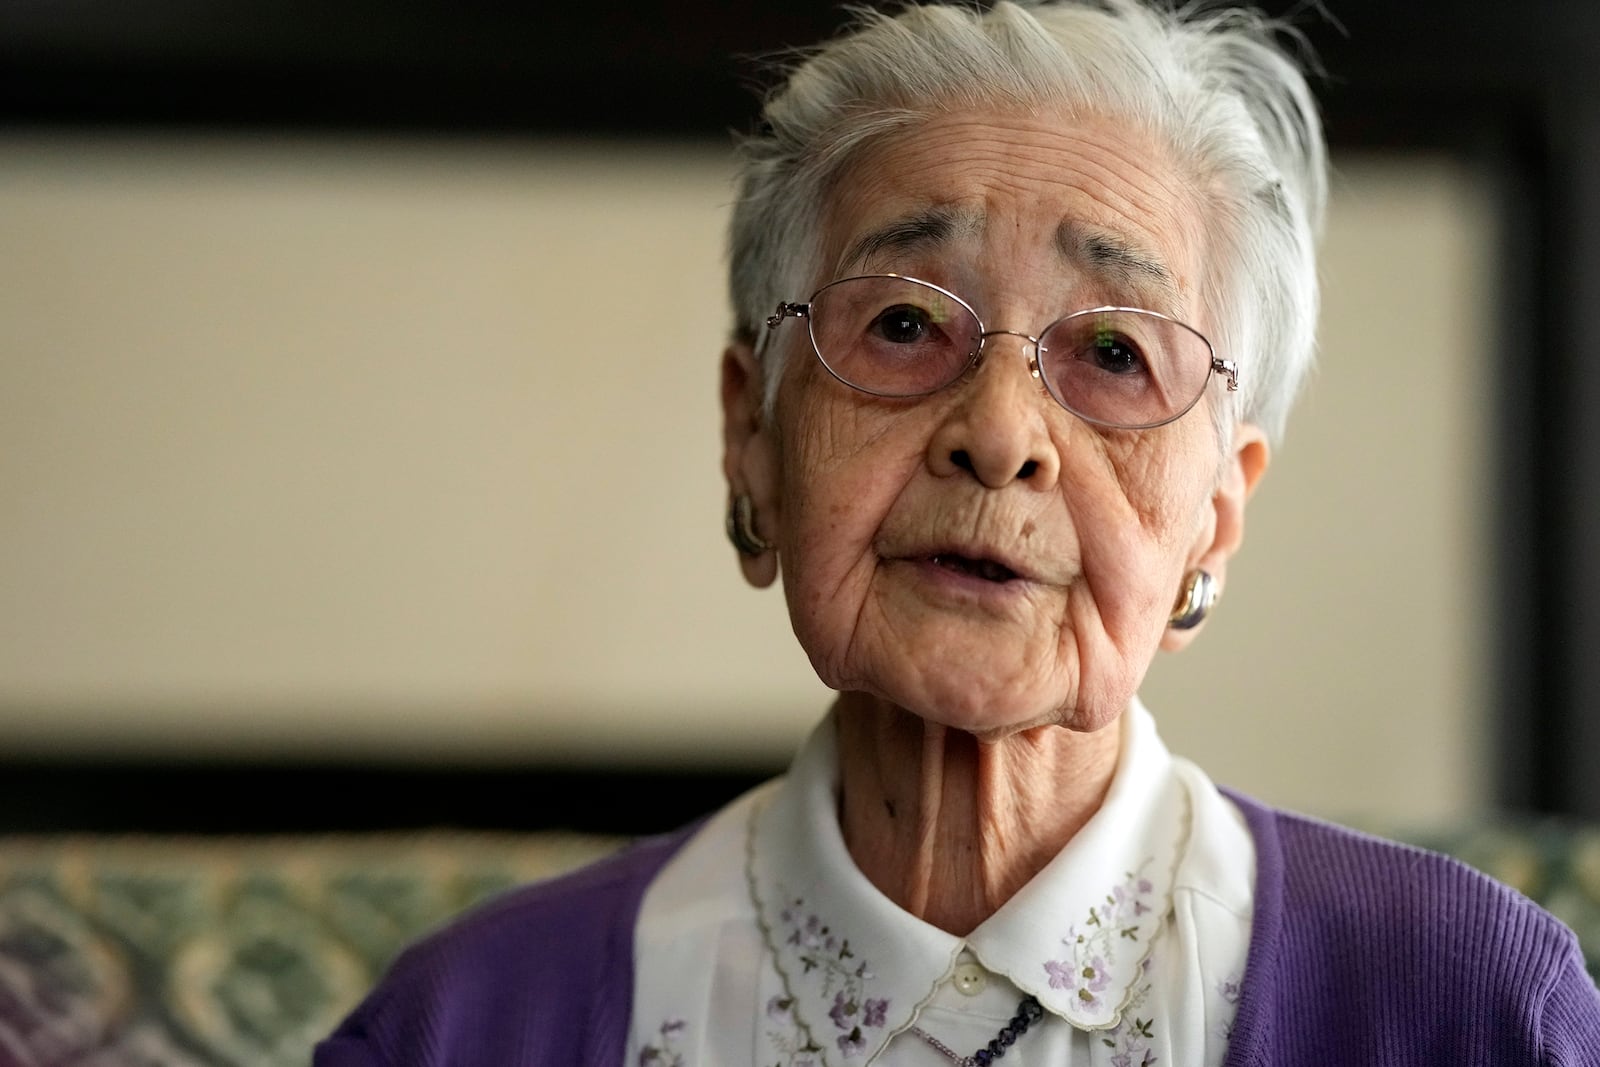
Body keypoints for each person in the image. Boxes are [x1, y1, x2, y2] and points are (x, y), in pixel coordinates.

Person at [314, 2, 1600, 1064]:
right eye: (904, 324)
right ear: (750, 435)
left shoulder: (1469, 1009)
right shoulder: (473, 1023)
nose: (1001, 431)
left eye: (1110, 350)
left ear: (1217, 510)